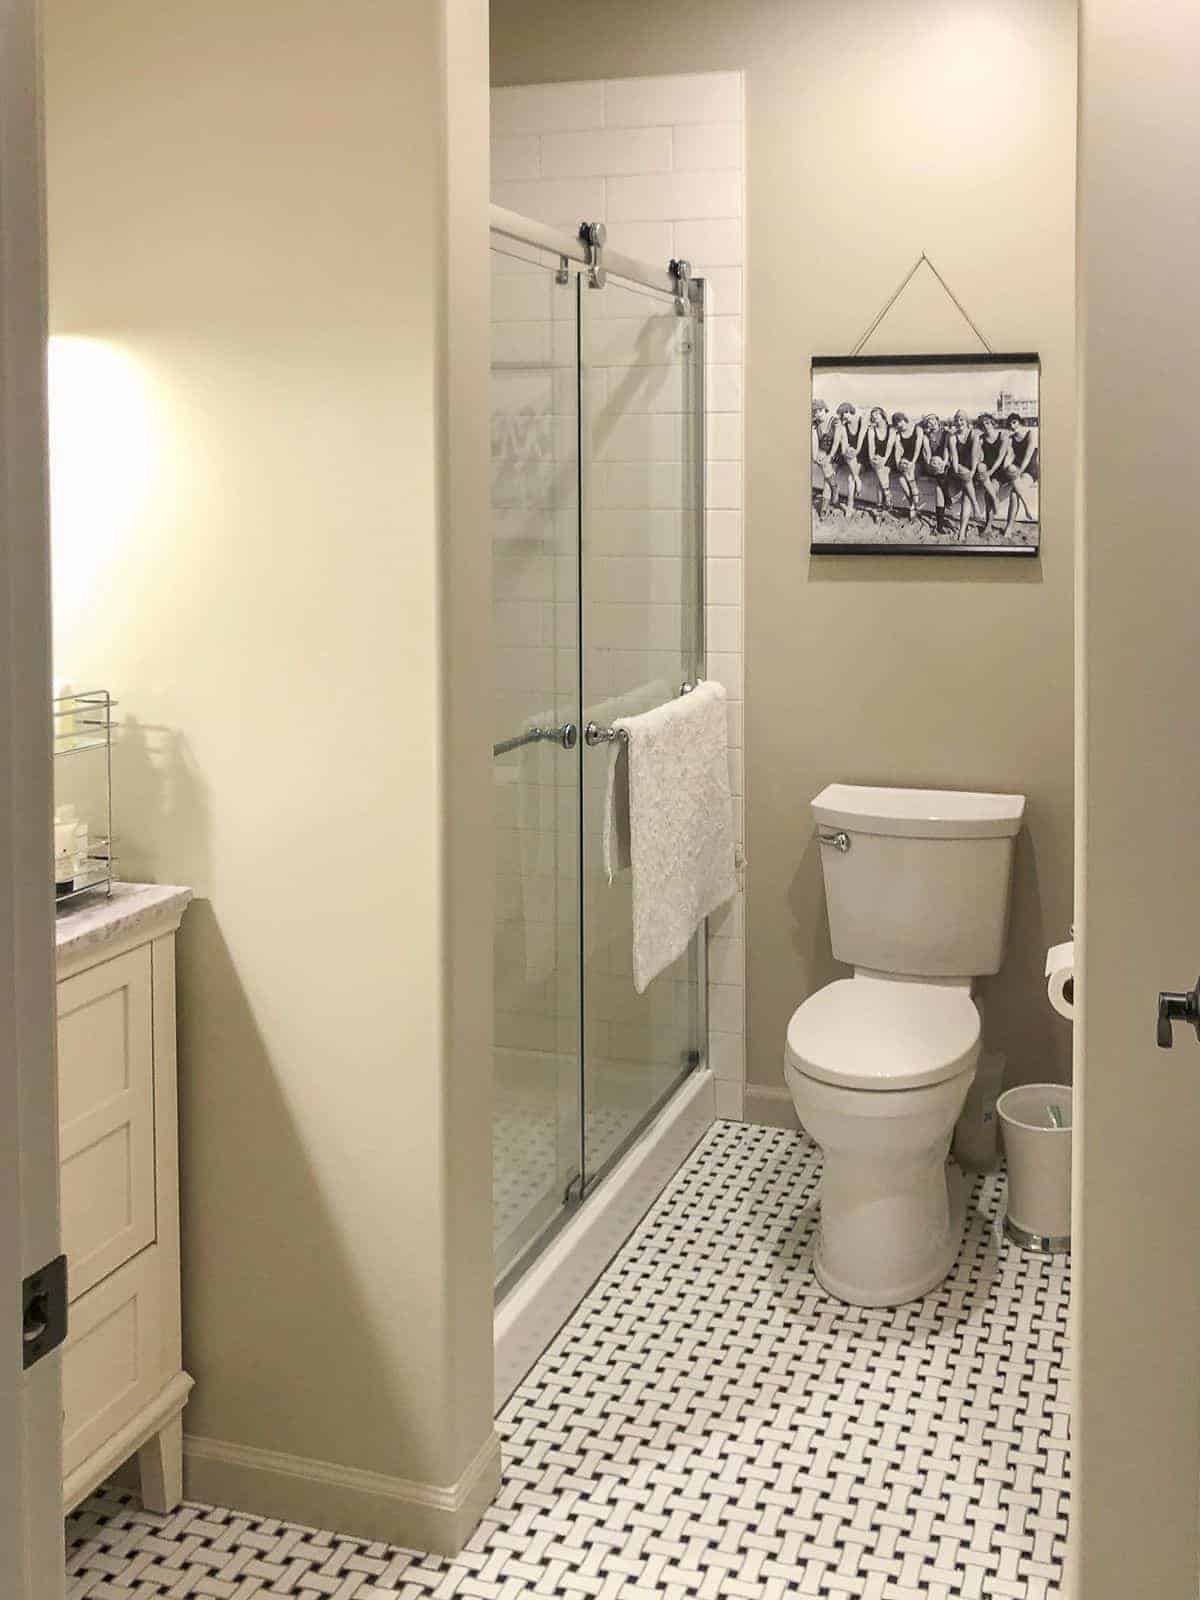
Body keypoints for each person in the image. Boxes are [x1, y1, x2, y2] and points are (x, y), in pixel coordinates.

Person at [918, 412, 957, 535]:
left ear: (937, 420)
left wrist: (943, 463)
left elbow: (947, 451)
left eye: (933, 420)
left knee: (938, 489)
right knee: (937, 470)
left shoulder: (946, 433)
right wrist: (932, 463)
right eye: (928, 421)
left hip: (944, 466)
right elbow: (927, 453)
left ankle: (939, 525)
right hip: (931, 465)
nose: (931, 422)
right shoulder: (926, 436)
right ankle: (948, 498)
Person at [973, 412, 1012, 533]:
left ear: (993, 423)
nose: (986, 426)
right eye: (983, 424)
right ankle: (995, 500)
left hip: (999, 470)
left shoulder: (1003, 436)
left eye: (988, 423)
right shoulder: (981, 439)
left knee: (989, 493)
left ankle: (988, 525)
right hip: (986, 470)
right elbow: (979, 457)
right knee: (980, 466)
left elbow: (1001, 457)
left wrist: (991, 472)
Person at [1002, 411, 1040, 534]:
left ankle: (1009, 527)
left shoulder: (1030, 434)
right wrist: (1007, 468)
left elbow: (1028, 457)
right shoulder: (1011, 438)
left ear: (1019, 422)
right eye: (1010, 424)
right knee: (1013, 490)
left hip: (1030, 470)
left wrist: (1017, 473)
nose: (1012, 426)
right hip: (1017, 471)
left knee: (1014, 492)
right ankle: (1026, 507)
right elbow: (1008, 457)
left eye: (1014, 422)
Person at [946, 410, 981, 539]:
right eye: (957, 420)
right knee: (965, 477)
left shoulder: (974, 434)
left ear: (966, 421)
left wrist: (971, 472)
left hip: (972, 467)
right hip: (959, 469)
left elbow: (974, 455)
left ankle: (962, 531)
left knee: (966, 496)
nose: (959, 422)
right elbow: (954, 458)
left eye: (962, 420)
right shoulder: (952, 437)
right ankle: (976, 506)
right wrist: (957, 471)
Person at [890, 411, 927, 522]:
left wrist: (912, 462)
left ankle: (914, 497)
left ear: (904, 420)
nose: (899, 424)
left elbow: (918, 448)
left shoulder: (917, 429)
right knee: (901, 479)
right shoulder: (898, 435)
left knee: (907, 469)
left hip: (919, 462)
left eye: (900, 421)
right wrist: (898, 464)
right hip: (906, 463)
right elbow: (898, 451)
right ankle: (913, 504)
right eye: (897, 423)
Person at [811, 398, 843, 519]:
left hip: (837, 454)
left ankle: (824, 507)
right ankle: (834, 489)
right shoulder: (815, 424)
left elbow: (836, 442)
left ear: (825, 409)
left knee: (826, 472)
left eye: (819, 410)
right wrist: (816, 455)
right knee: (825, 467)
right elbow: (815, 442)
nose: (817, 413)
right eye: (815, 411)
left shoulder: (835, 421)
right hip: (824, 455)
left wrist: (829, 456)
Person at [863, 405, 896, 518]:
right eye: (873, 415)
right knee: (879, 471)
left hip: (889, 458)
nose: (874, 417)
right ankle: (887, 496)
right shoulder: (871, 430)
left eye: (877, 414)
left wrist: (883, 460)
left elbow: (890, 447)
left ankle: (880, 504)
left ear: (882, 415)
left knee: (880, 474)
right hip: (876, 458)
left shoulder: (891, 429)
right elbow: (871, 447)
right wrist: (873, 459)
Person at [834, 401, 866, 517]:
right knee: (851, 478)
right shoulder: (843, 426)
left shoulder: (862, 421)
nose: (843, 416)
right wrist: (849, 452)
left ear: (850, 411)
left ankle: (850, 504)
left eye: (845, 413)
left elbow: (861, 440)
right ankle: (850, 504)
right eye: (841, 414)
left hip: (862, 453)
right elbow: (844, 447)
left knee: (850, 477)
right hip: (850, 456)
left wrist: (855, 451)